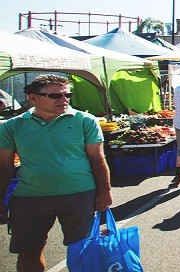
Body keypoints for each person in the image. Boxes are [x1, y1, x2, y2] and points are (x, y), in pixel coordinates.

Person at [0, 75, 113, 271]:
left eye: (67, 94)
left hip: (78, 194)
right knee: (28, 251)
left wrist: (104, 192)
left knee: (82, 250)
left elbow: (98, 159)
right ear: (33, 98)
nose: (64, 100)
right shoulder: (12, 126)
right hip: (30, 197)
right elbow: (4, 165)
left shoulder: (85, 121)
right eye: (55, 96)